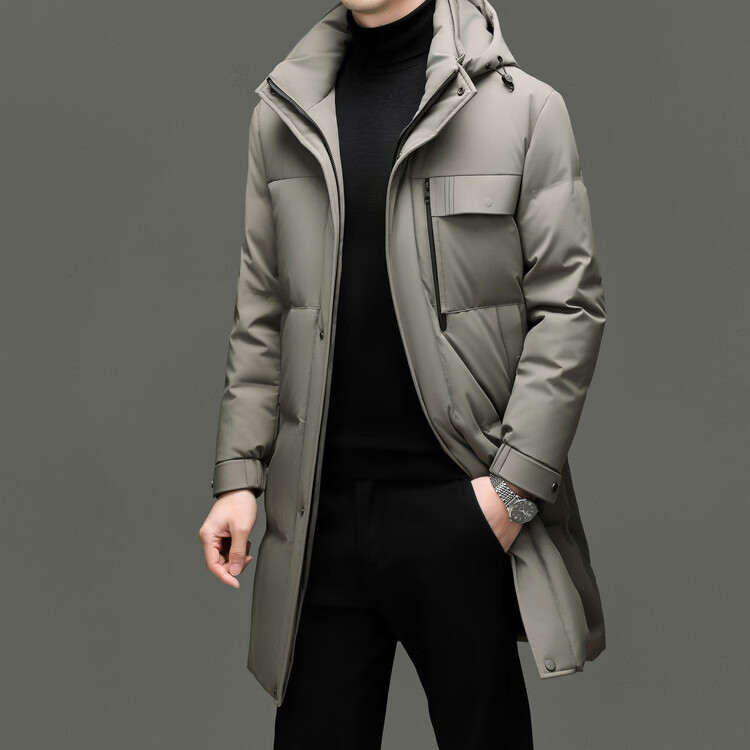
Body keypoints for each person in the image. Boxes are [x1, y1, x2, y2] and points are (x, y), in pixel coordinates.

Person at [198, 0, 607, 747]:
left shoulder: (525, 110)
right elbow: (262, 311)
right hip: (318, 519)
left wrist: (510, 493)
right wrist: (239, 479)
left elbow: (570, 310)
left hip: (459, 510)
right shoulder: (284, 114)